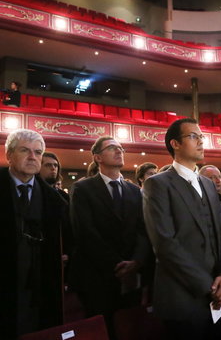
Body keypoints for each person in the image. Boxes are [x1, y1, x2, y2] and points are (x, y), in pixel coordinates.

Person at [143, 118, 221, 340]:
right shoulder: (157, 184)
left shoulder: (207, 184)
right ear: (175, 144)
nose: (201, 142)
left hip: (220, 292)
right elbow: (165, 244)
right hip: (183, 296)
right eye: (193, 136)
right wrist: (208, 286)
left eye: (201, 137)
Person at [69, 136, 151, 338]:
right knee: (103, 329)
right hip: (99, 274)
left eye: (121, 148)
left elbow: (143, 230)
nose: (119, 150)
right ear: (97, 157)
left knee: (131, 327)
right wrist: (118, 265)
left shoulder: (135, 191)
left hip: (131, 274)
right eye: (112, 148)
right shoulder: (83, 188)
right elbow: (86, 232)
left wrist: (136, 262)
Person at [0, 129, 65, 339]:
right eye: (25, 151)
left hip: (40, 283)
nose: (32, 157)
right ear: (9, 155)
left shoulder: (55, 200)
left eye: (38, 152)